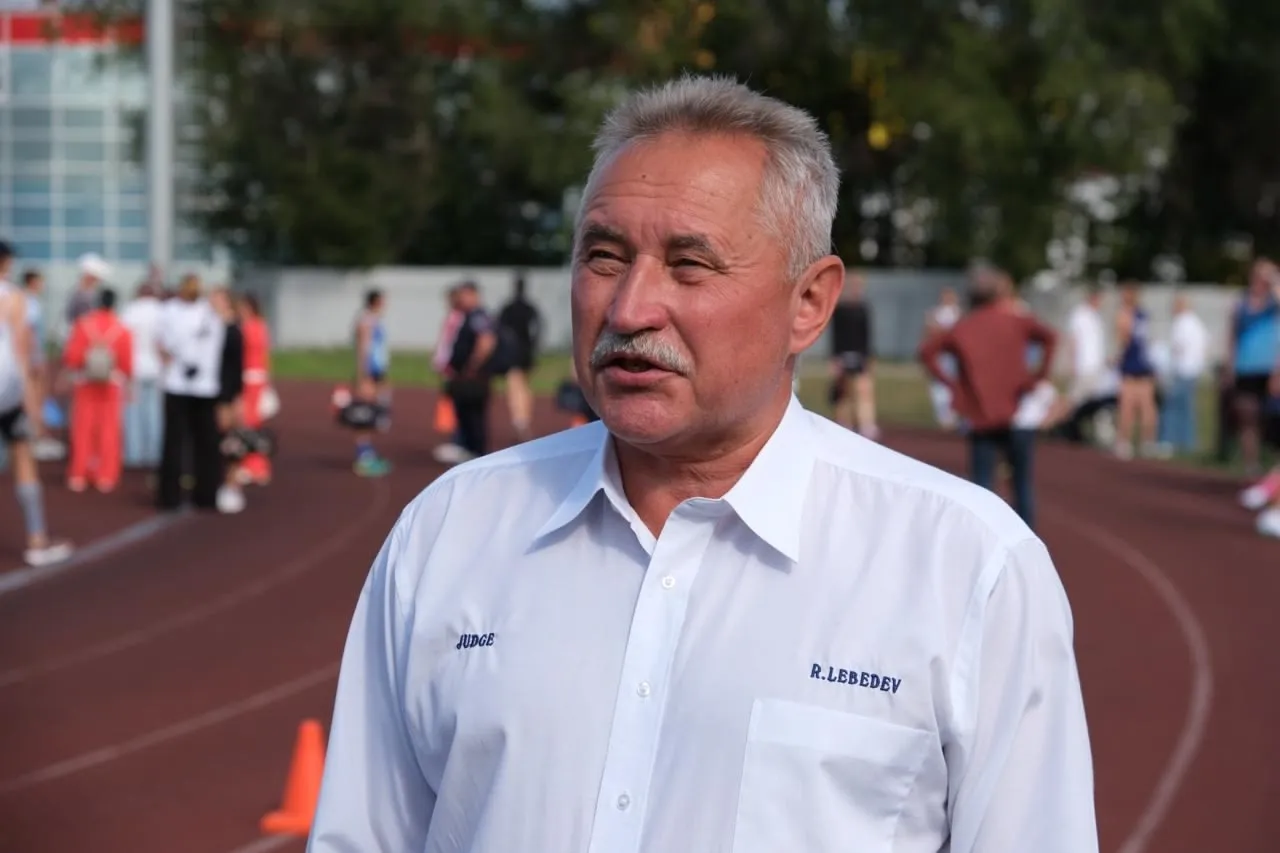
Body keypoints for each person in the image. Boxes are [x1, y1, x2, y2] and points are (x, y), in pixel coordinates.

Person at [309, 75, 1096, 853]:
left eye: (689, 265)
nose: (629, 308)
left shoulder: (965, 567)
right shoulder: (450, 530)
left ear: (809, 304)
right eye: (604, 257)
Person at [919, 267, 1060, 530]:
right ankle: (1025, 539)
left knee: (982, 486)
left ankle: (984, 537)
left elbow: (927, 352)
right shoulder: (1016, 320)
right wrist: (1038, 377)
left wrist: (953, 386)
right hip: (1018, 413)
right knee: (1021, 483)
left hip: (981, 415)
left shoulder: (964, 327)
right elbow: (1051, 338)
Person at [0, 241, 73, 566]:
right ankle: (36, 540)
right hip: (7, 388)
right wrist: (33, 403)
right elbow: (22, 349)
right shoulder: (15, 298)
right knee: (23, 456)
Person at [155, 273, 228, 512]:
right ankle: (204, 495)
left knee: (177, 442)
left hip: (183, 384)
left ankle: (171, 496)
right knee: (203, 443)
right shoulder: (209, 313)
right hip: (198, 385)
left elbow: (163, 345)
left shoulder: (172, 311)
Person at [62, 288, 133, 493]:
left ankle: (79, 473)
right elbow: (126, 364)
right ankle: (106, 475)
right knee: (109, 430)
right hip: (111, 385)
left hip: (85, 383)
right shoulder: (122, 329)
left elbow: (72, 358)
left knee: (82, 429)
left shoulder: (83, 325)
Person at [1224, 258, 1280, 476]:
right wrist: (1230, 366)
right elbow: (1232, 337)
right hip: (1246, 368)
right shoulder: (1241, 304)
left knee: (1273, 421)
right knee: (1247, 417)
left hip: (1271, 369)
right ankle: (1251, 465)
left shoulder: (1274, 304)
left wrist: (1274, 278)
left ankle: (1274, 469)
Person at [436, 280, 497, 463]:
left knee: (473, 418)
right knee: (465, 417)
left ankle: (476, 453)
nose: (461, 299)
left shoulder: (477, 316)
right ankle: (469, 450)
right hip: (466, 376)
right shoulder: (468, 315)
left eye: (464, 294)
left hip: (473, 378)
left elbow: (486, 341)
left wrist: (472, 366)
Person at [827, 270, 878, 438]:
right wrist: (834, 359)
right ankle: (843, 424)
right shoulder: (840, 310)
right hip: (843, 355)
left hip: (860, 355)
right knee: (843, 393)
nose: (856, 289)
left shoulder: (864, 309)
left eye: (859, 286)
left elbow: (867, 335)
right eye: (853, 285)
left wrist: (869, 358)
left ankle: (866, 425)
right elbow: (835, 335)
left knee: (864, 391)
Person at [1112, 282, 1160, 459]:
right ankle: (1140, 442)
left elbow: (1125, 341)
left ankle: (1129, 442)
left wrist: (1115, 359)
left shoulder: (1129, 315)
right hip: (1139, 366)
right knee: (1141, 407)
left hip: (1134, 366)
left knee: (1134, 407)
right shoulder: (1140, 316)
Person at [120, 281, 166, 469]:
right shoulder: (161, 311)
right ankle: (154, 453)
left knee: (132, 412)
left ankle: (133, 453)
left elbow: (123, 340)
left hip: (134, 366)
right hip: (155, 367)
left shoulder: (130, 311)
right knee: (154, 412)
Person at [496, 271, 543, 443]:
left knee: (515, 387)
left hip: (513, 354)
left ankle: (520, 421)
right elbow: (538, 328)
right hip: (526, 352)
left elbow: (499, 329)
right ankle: (524, 419)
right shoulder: (529, 308)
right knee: (525, 387)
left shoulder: (508, 308)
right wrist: (534, 346)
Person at [1160, 292, 1208, 454]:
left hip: (1182, 369)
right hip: (1193, 370)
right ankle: (1187, 442)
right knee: (1186, 408)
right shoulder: (1196, 322)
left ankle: (1168, 441)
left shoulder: (1182, 322)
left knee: (1173, 407)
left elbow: (1177, 347)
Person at [351, 289, 391, 477]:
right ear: (375, 302)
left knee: (375, 413)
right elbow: (363, 349)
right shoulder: (366, 320)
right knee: (365, 414)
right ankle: (363, 456)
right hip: (370, 372)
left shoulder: (374, 320)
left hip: (378, 372)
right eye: (382, 301)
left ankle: (368, 453)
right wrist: (363, 376)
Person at [236, 292, 274, 485]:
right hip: (258, 378)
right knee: (255, 424)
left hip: (248, 379)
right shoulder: (262, 326)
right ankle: (258, 466)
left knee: (247, 424)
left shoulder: (246, 328)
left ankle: (252, 466)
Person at [924, 286, 962, 429]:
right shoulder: (935, 313)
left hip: (953, 355)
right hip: (939, 354)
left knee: (954, 382)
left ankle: (953, 414)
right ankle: (942, 415)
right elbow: (929, 332)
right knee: (938, 384)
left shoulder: (958, 313)